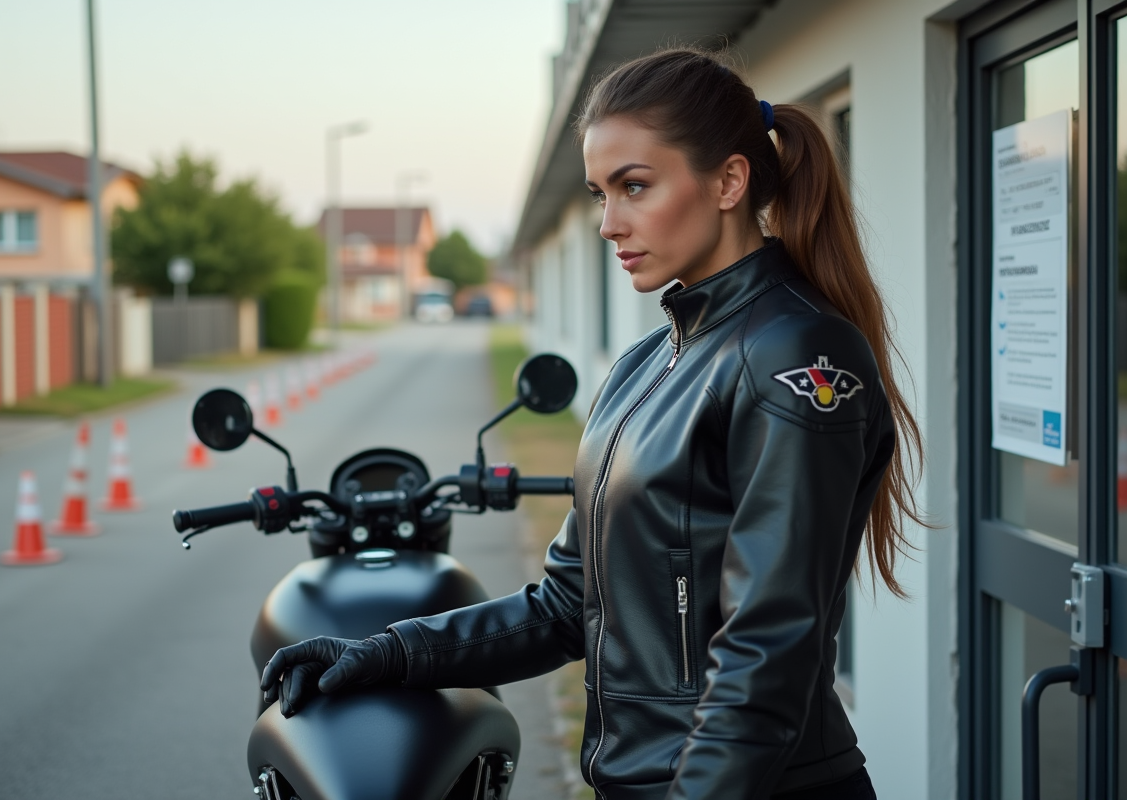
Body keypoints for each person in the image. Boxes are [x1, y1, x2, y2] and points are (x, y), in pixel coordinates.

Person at [260, 47, 925, 800]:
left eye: (634, 187)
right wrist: (388, 652)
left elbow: (769, 650)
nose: (609, 223)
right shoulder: (646, 364)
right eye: (600, 194)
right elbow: (565, 608)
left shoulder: (794, 353)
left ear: (729, 181)